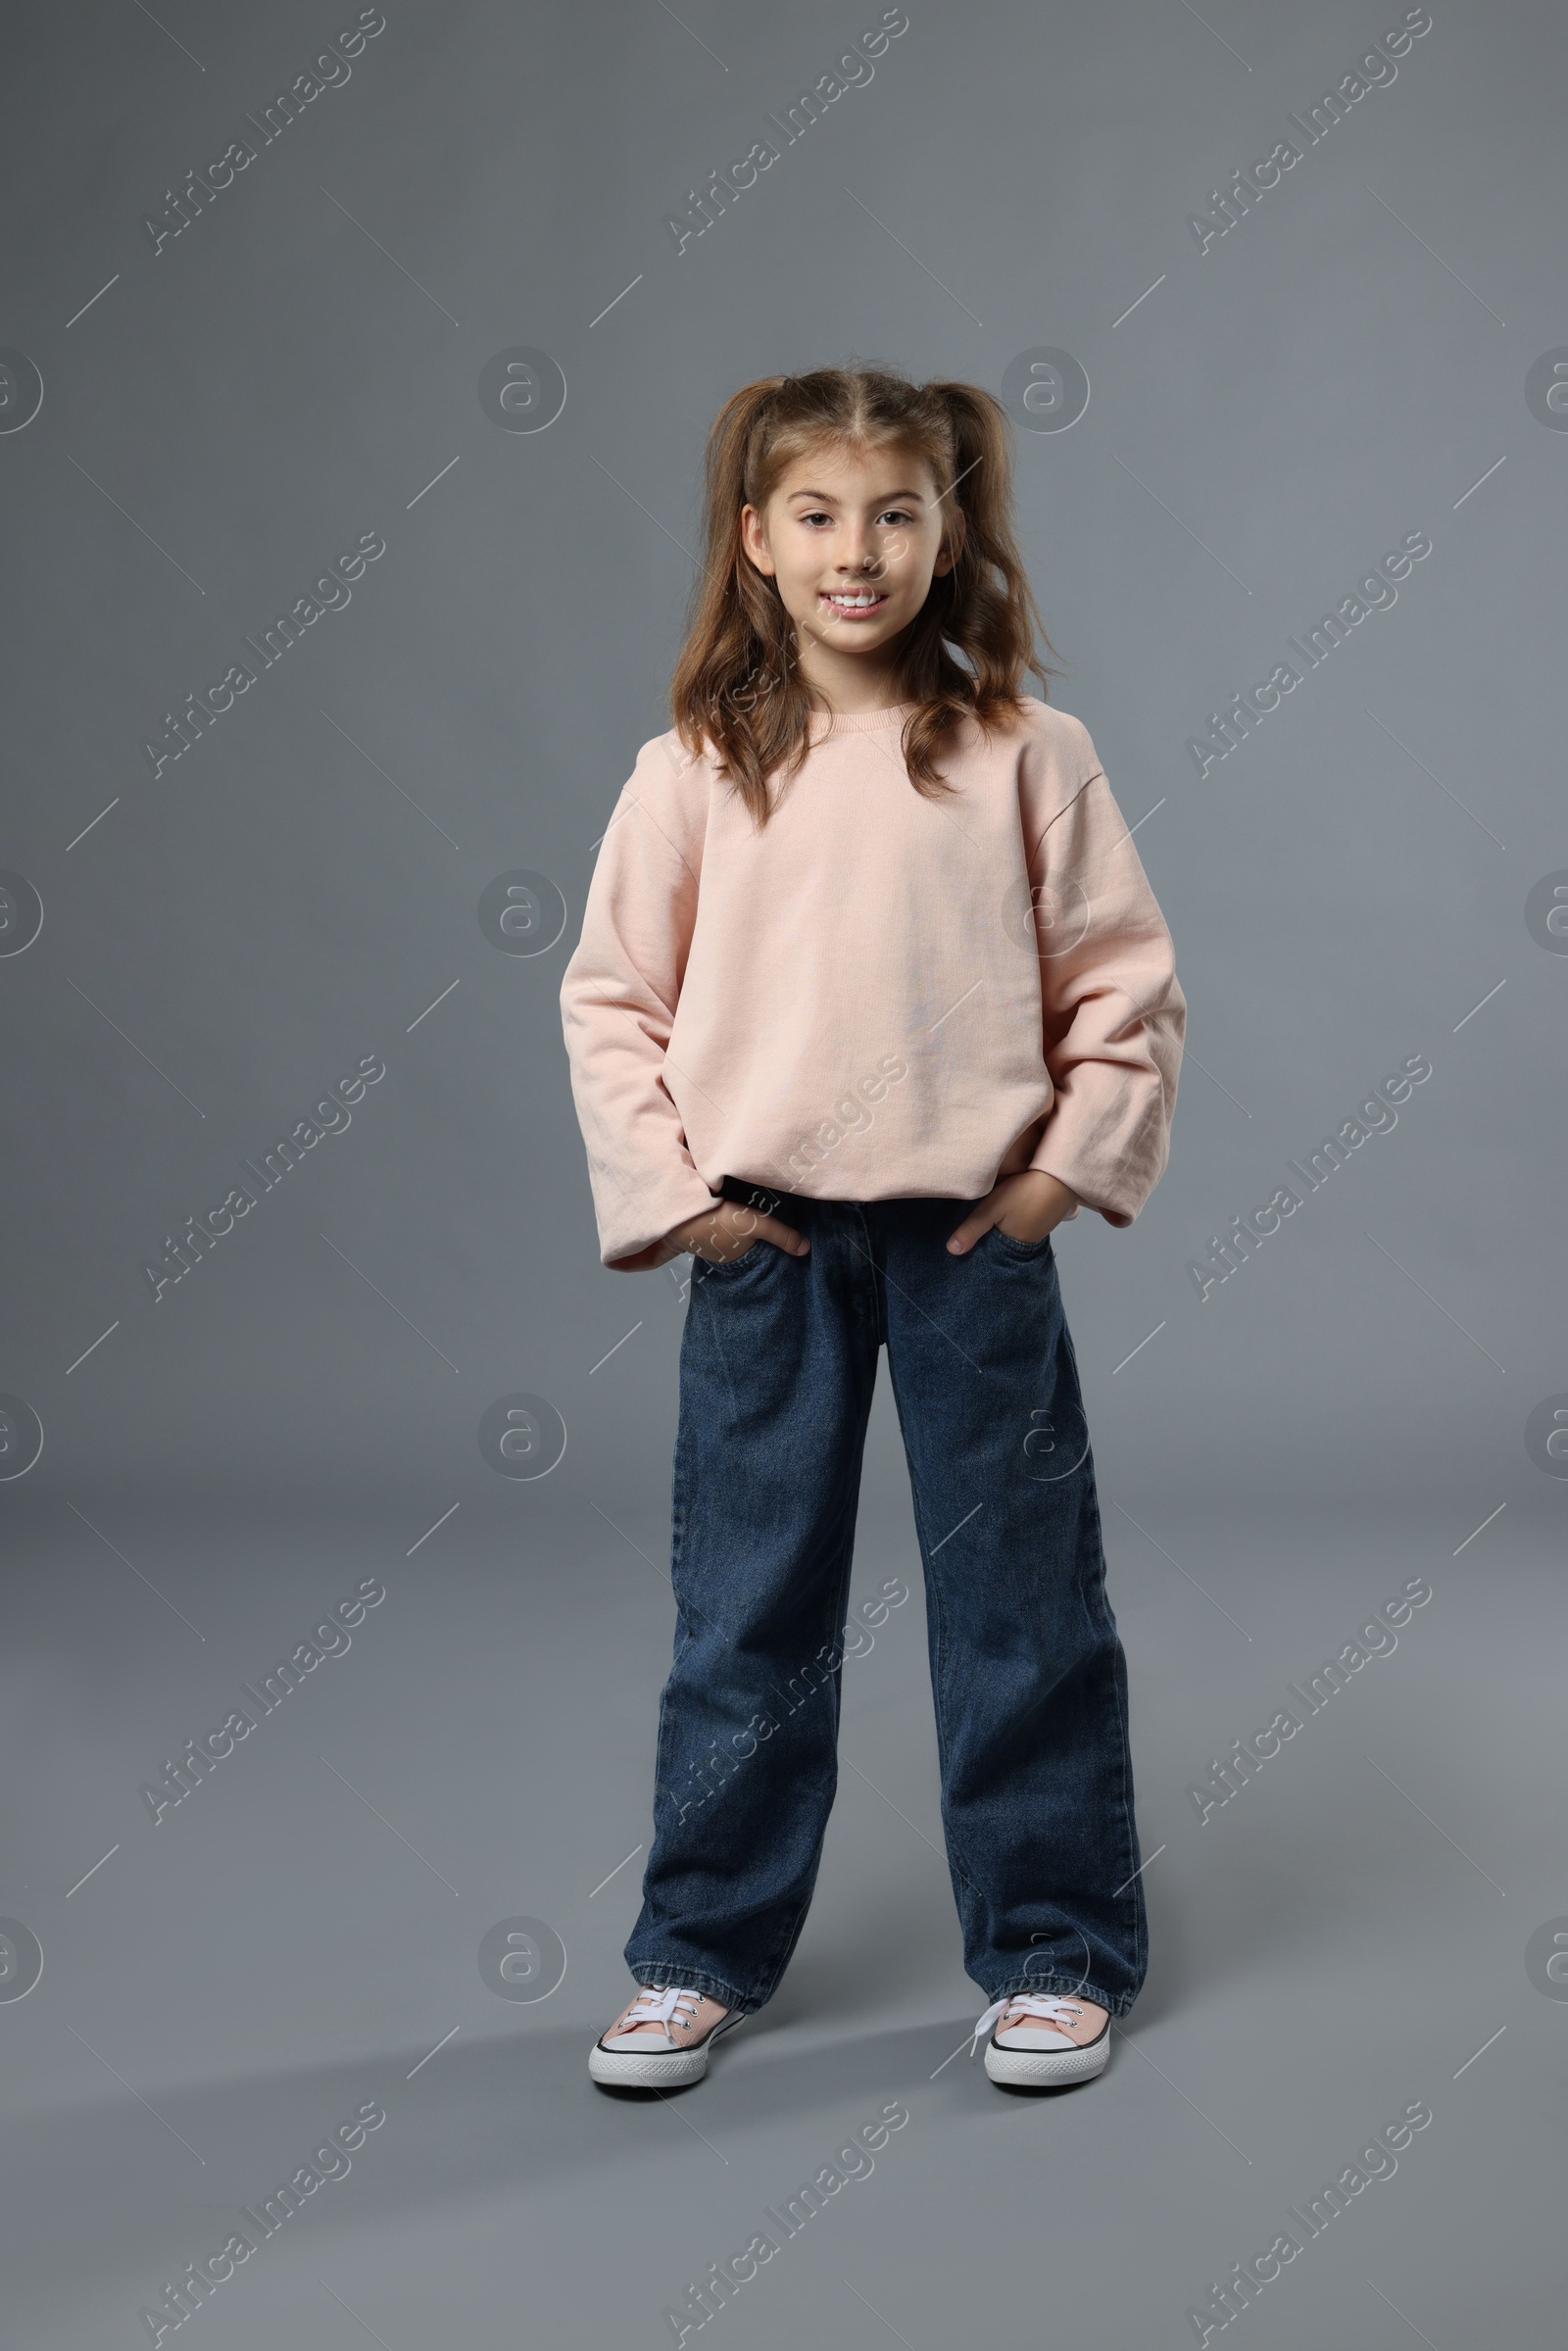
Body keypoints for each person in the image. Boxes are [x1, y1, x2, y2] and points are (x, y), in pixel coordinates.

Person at [559, 366, 1184, 2093]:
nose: (860, 553)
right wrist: (680, 1198)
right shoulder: (693, 768)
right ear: (756, 541)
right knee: (747, 1608)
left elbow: (1125, 983)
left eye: (896, 513)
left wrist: (1064, 1172)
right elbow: (612, 1000)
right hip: (765, 1249)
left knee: (1021, 1600)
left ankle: (1055, 1946)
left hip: (970, 1239)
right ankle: (698, 1949)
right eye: (820, 518)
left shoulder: (1025, 754)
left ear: (950, 528)